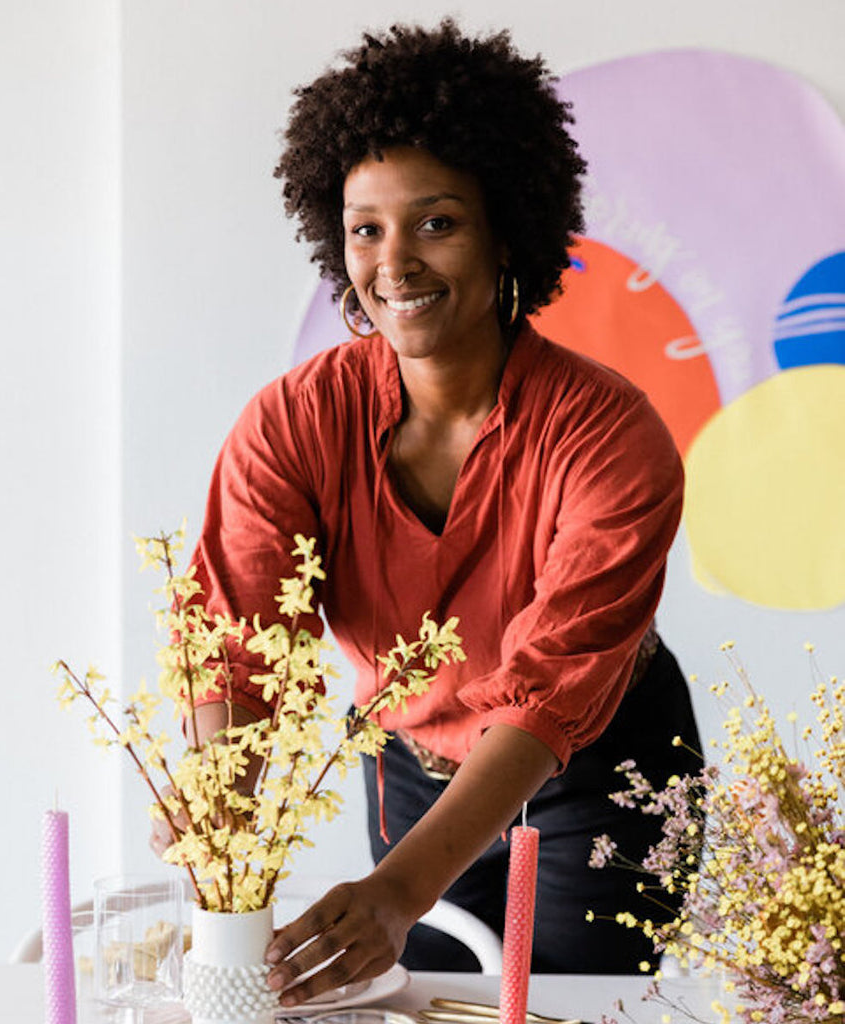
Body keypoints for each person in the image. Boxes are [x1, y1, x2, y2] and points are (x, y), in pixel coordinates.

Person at [154, 19, 703, 1001]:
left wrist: (398, 888)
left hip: (599, 770)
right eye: (368, 228)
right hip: (412, 761)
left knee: (572, 1007)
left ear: (507, 232)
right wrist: (220, 798)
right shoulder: (292, 424)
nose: (394, 261)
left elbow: (546, 695)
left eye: (436, 221)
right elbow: (238, 643)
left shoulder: (611, 437)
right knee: (426, 1003)